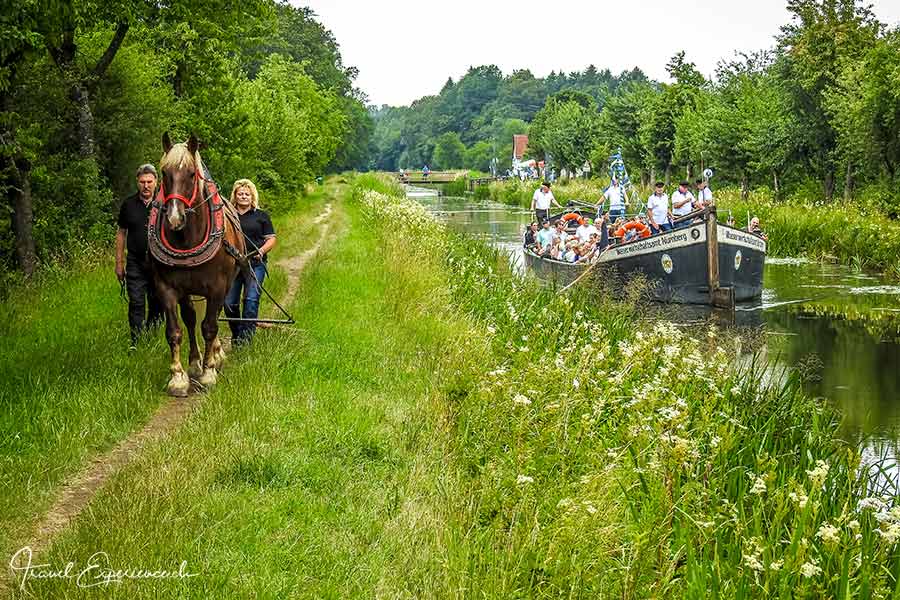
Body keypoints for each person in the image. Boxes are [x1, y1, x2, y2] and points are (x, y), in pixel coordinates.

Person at [116, 164, 163, 350]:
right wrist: (119, 263)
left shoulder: (164, 204)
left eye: (149, 182)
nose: (146, 186)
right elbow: (121, 233)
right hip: (135, 261)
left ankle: (152, 337)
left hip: (159, 263)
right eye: (142, 182)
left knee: (157, 302)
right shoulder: (128, 204)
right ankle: (136, 341)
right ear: (137, 182)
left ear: (156, 182)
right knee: (136, 301)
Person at [224, 179, 277, 345]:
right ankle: (237, 333)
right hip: (233, 265)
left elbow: (271, 239)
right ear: (235, 195)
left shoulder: (261, 216)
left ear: (252, 196)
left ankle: (245, 341)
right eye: (240, 194)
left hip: (255, 264)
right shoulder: (227, 215)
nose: (243, 197)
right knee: (229, 302)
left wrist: (261, 251)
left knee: (251, 300)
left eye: (247, 194)